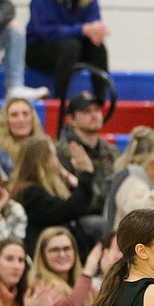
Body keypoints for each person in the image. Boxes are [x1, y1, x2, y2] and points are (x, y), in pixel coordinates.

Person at [26, 0, 110, 102]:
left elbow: (93, 22)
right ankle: (59, 101)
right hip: (39, 49)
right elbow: (46, 32)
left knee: (98, 48)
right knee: (70, 47)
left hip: (72, 50)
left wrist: (96, 33)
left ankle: (100, 102)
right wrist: (82, 29)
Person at [9, 135, 94, 250]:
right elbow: (70, 209)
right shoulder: (30, 193)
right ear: (42, 161)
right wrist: (86, 173)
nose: (57, 162)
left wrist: (67, 176)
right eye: (53, 156)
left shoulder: (49, 188)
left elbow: (85, 204)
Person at [57, 91, 120, 222]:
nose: (94, 115)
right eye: (86, 111)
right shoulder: (62, 152)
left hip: (109, 212)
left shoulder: (111, 151)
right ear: (71, 119)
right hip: (79, 217)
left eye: (97, 110)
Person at [0, 96, 43, 179]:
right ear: (5, 121)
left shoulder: (45, 148)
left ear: (33, 119)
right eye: (14, 115)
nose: (21, 120)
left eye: (25, 114)